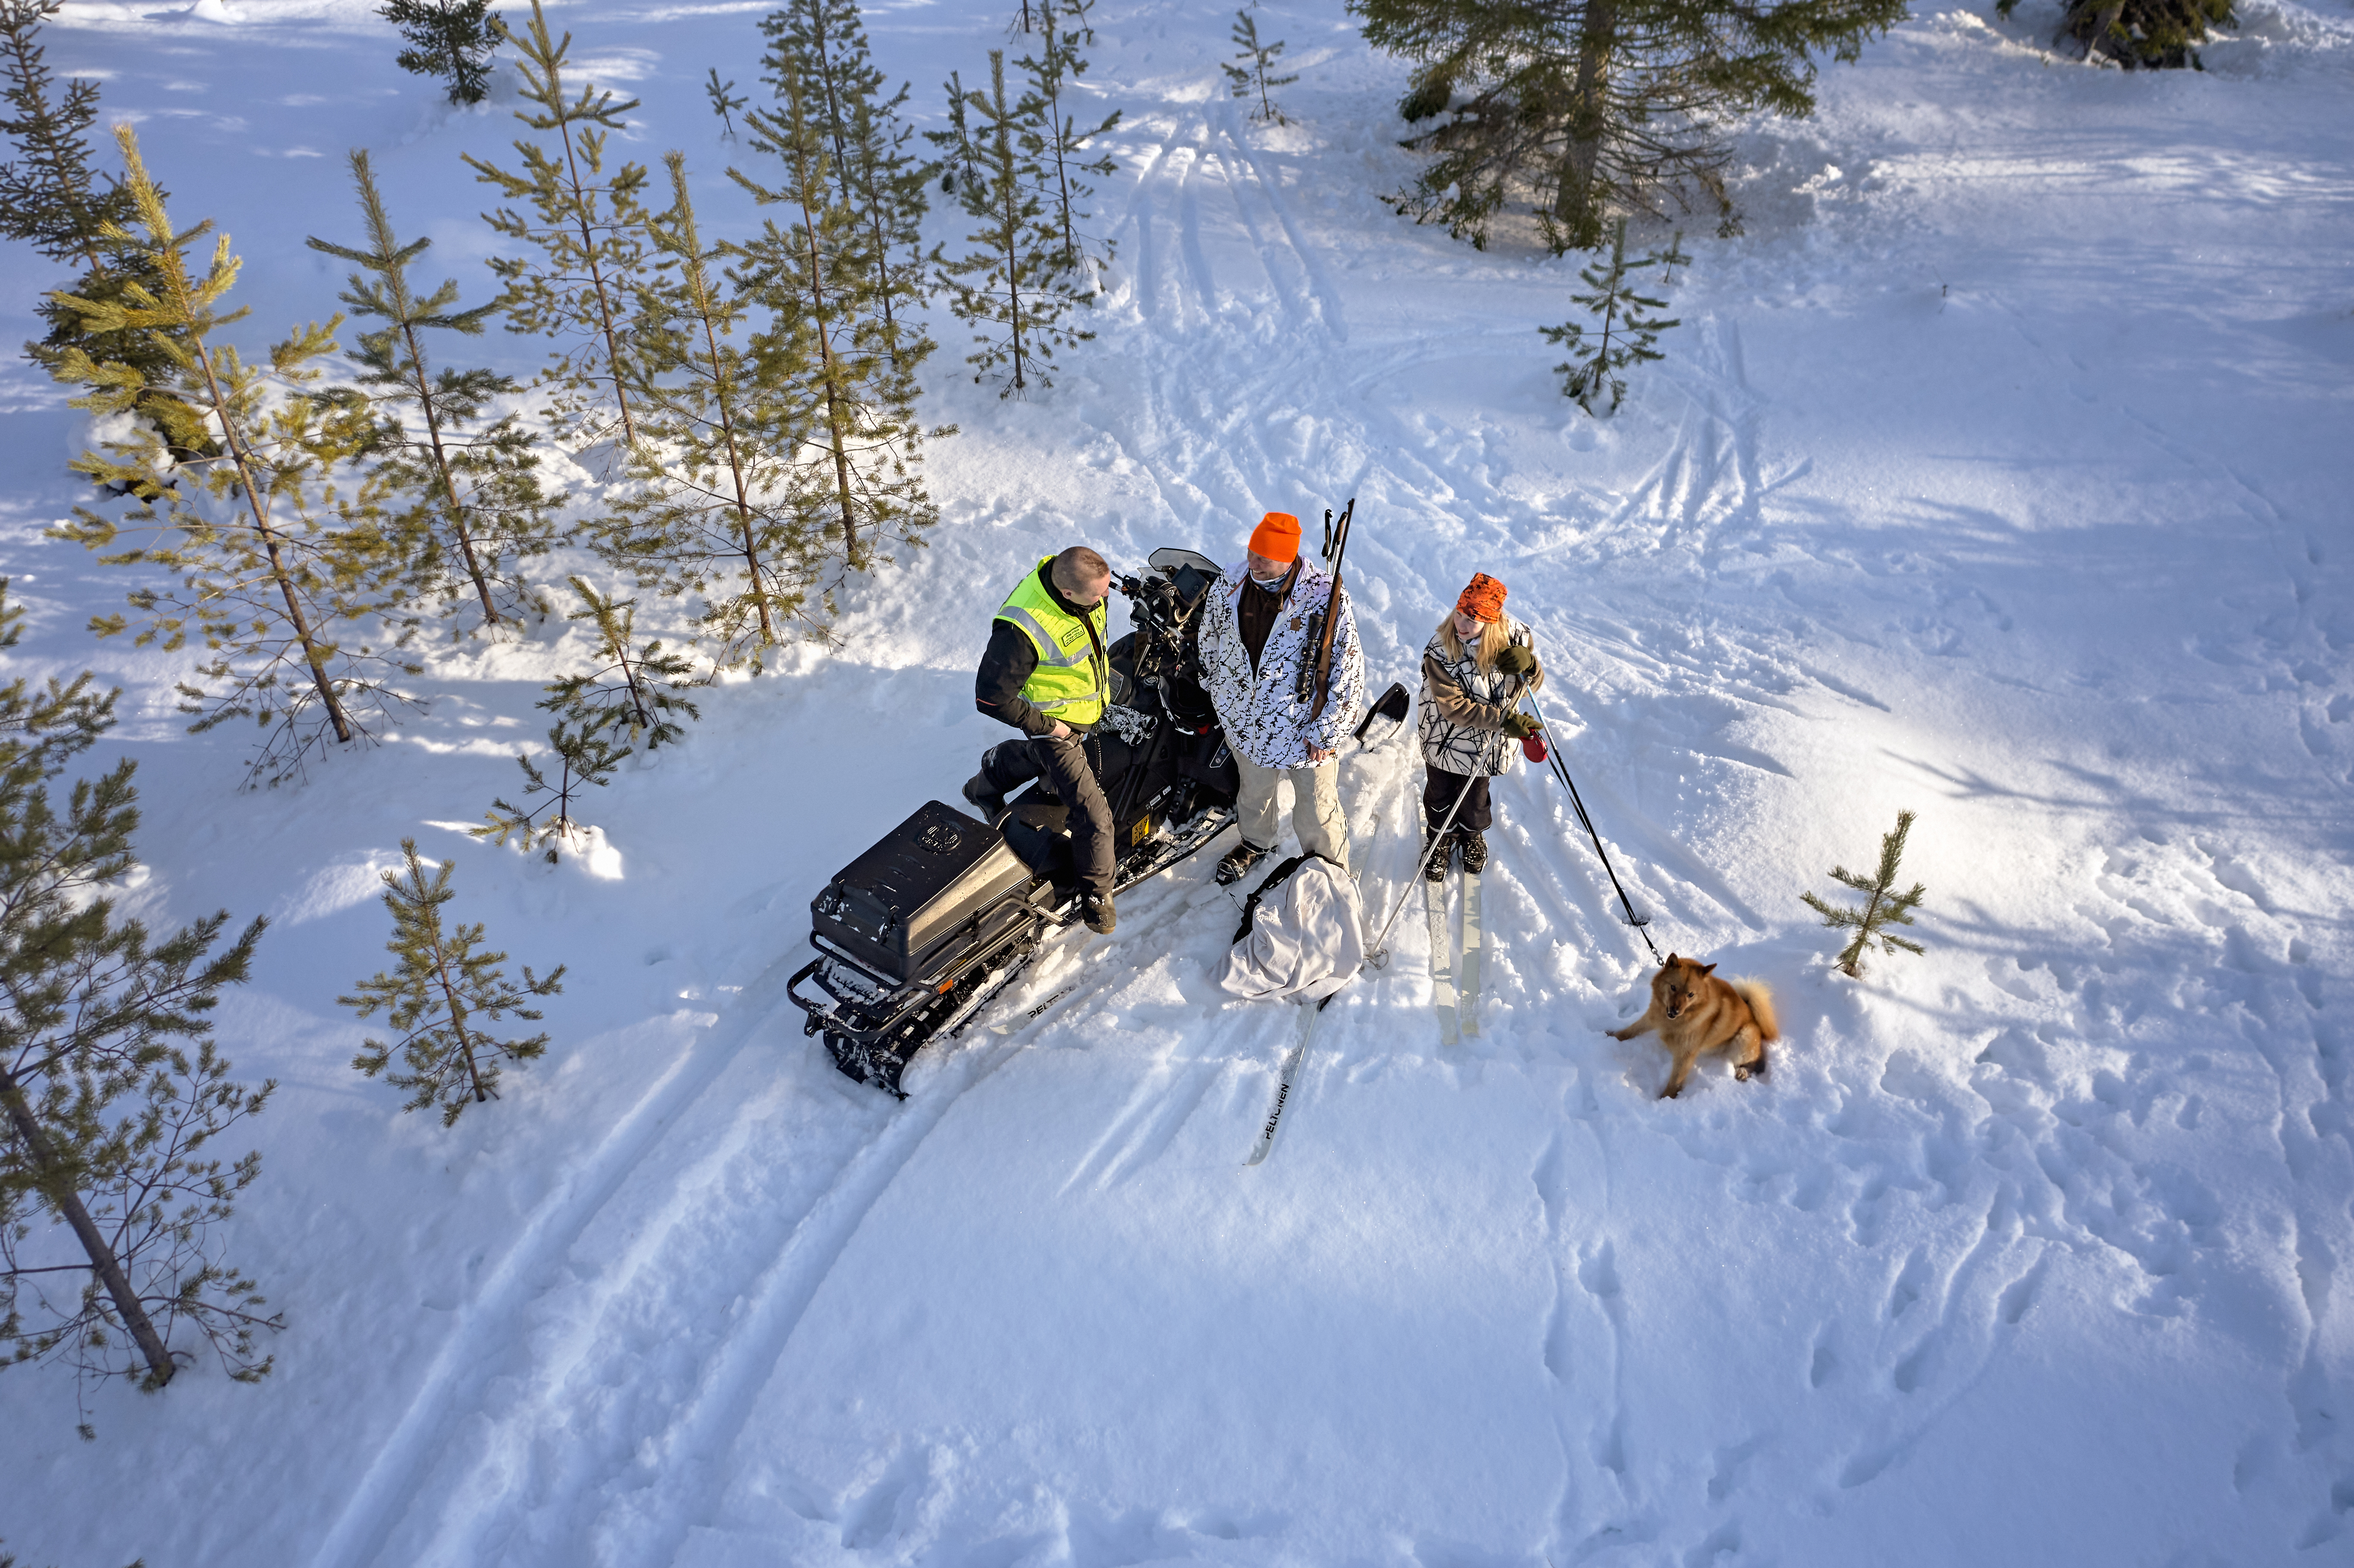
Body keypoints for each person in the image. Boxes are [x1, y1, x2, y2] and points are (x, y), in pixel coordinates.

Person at [1197, 510, 1367, 886]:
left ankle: (1329, 870)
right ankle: (1256, 843)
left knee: (1317, 807)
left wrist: (1329, 732)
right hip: (1246, 722)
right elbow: (1210, 635)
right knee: (1254, 793)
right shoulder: (1230, 581)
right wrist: (1218, 687)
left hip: (1304, 730)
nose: (1252, 563)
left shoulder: (1325, 596)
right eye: (1251, 551)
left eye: (1264, 558)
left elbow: (1348, 668)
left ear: (1288, 558)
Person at [964, 546, 1118, 934]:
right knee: (1095, 817)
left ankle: (987, 781)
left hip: (1083, 708)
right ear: (1068, 594)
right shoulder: (1021, 629)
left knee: (1038, 759)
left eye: (1109, 588)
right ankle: (1097, 896)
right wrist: (1050, 727)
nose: (1106, 598)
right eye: (1099, 595)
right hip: (1057, 725)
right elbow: (990, 698)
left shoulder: (1073, 578)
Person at [1417, 572, 1543, 881]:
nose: (1461, 624)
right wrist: (1504, 721)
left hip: (1485, 745)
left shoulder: (1515, 640)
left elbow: (1529, 687)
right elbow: (1453, 707)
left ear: (1489, 622)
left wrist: (1530, 666)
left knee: (1475, 799)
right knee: (1440, 794)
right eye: (1459, 613)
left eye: (1471, 620)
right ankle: (1440, 838)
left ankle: (1472, 836)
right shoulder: (1441, 649)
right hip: (1443, 738)